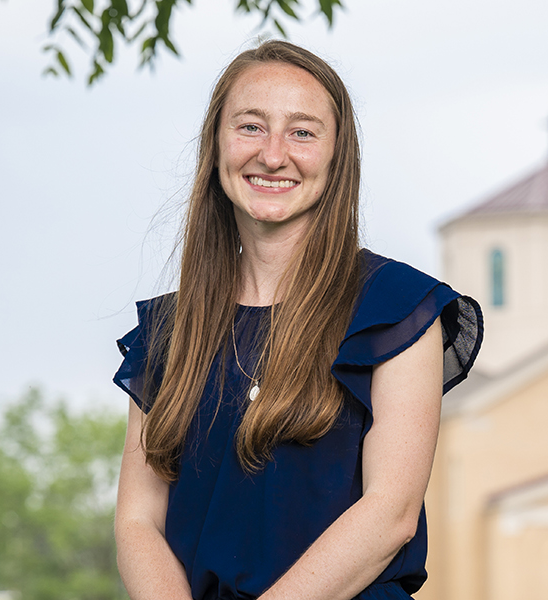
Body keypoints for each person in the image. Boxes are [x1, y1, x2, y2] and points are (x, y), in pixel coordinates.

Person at [111, 40, 482, 600]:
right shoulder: (169, 330)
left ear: (338, 158)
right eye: (251, 127)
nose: (273, 154)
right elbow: (138, 520)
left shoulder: (396, 309)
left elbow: (392, 513)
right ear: (216, 147)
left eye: (303, 132)